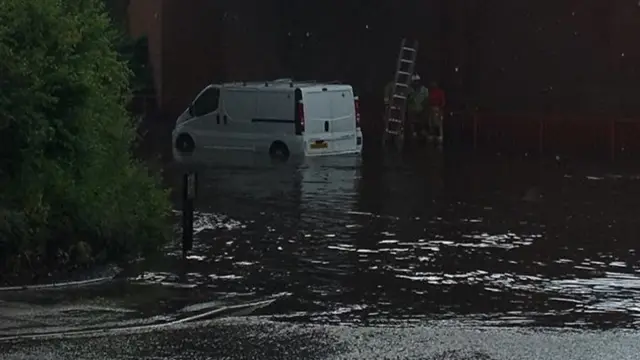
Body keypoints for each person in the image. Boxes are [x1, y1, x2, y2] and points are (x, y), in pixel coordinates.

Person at [407, 73, 429, 140]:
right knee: (412, 121)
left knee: (422, 122)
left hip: (422, 109)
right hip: (412, 108)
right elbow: (408, 99)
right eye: (414, 81)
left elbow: (426, 99)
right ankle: (413, 132)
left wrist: (423, 107)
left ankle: (423, 132)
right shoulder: (409, 89)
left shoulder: (424, 89)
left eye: (417, 81)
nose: (416, 83)